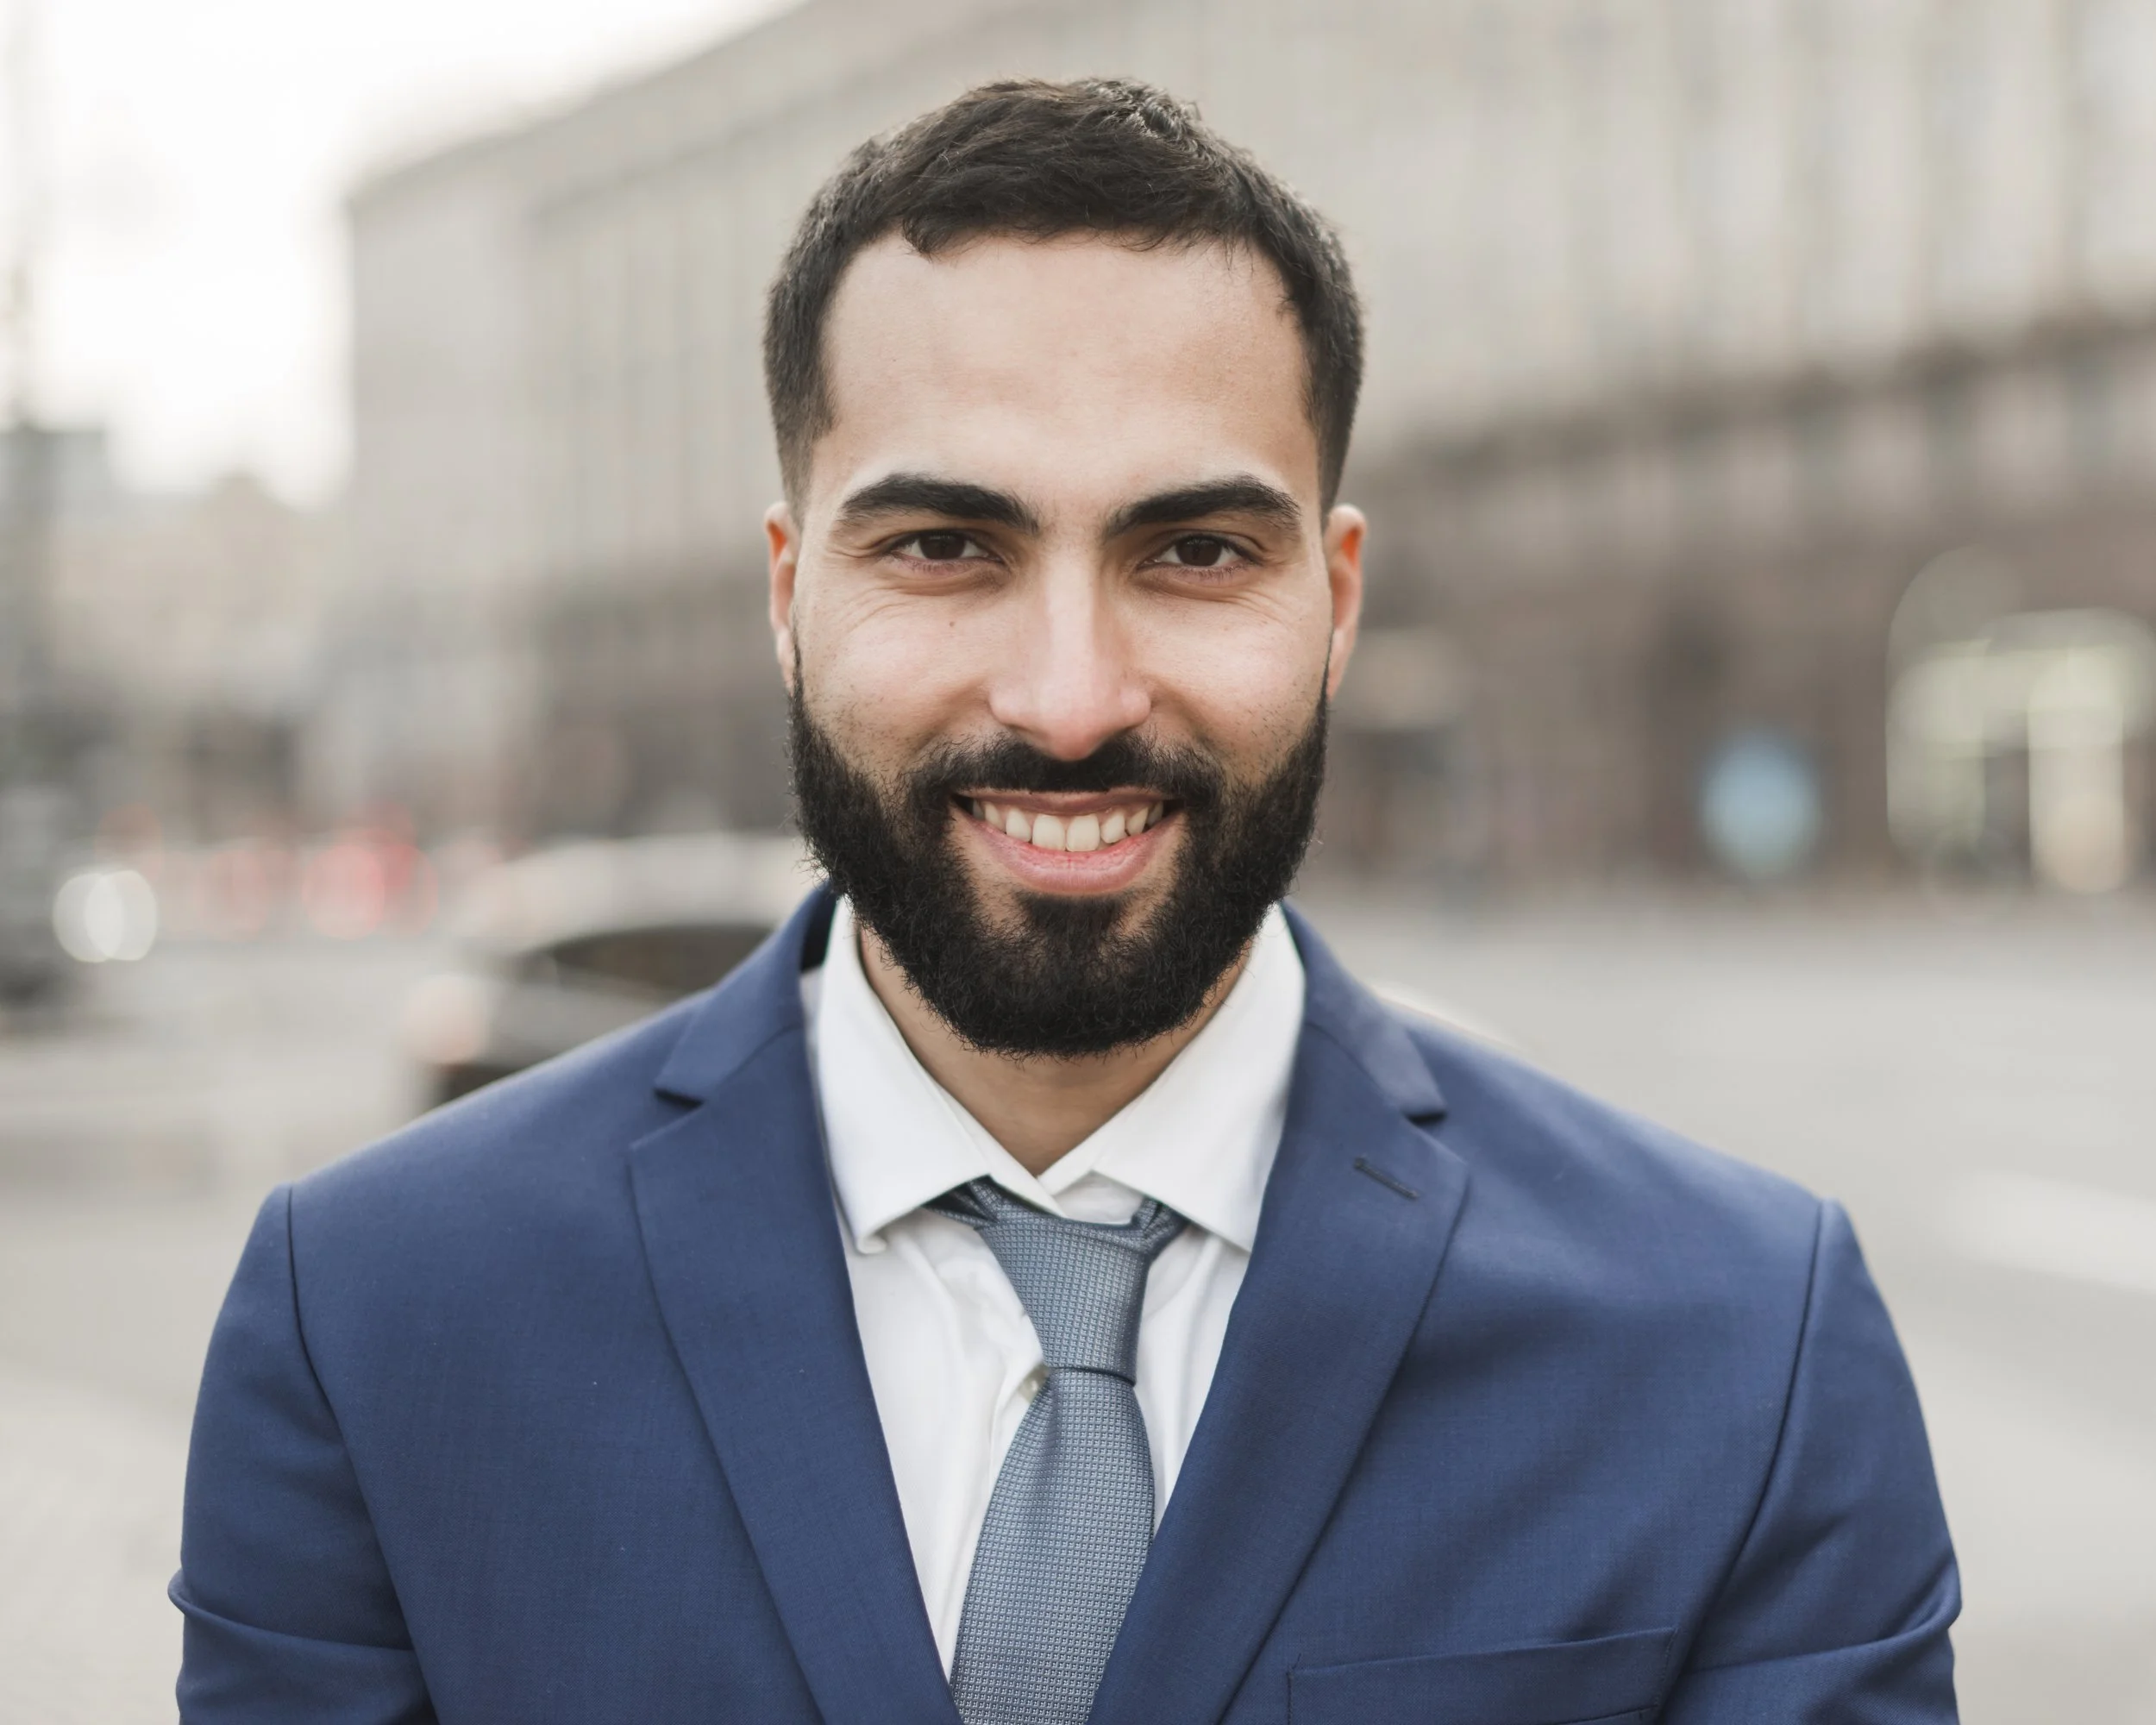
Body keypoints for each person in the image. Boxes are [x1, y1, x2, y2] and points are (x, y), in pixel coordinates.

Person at [173, 78, 1959, 1724]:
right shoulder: (375, 1320)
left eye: (1196, 552)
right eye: (945, 547)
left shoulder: (1739, 1342)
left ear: (1336, 605)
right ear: (788, 598)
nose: (1072, 697)